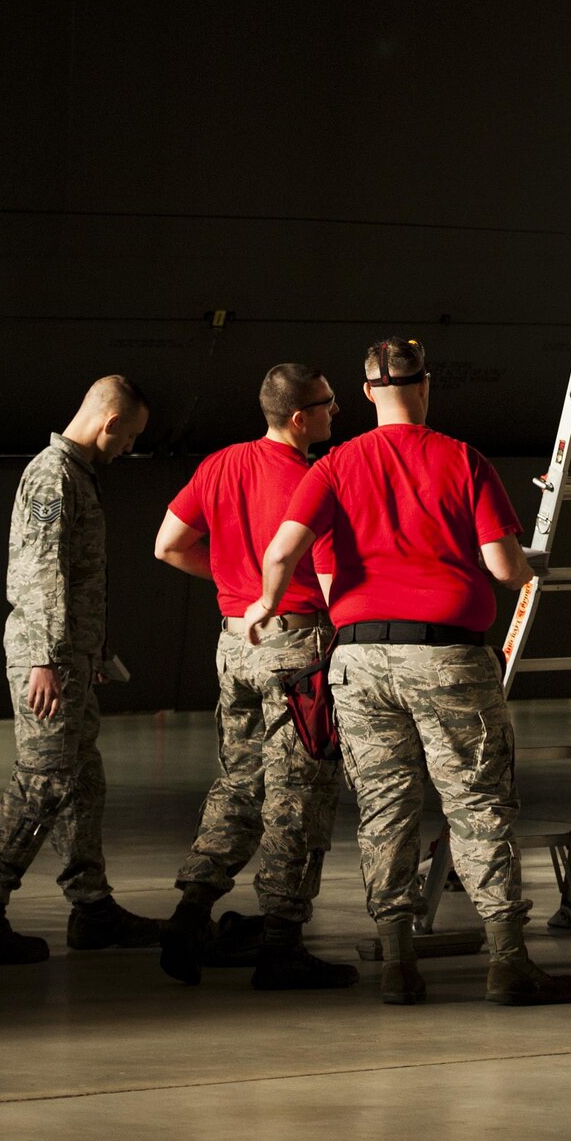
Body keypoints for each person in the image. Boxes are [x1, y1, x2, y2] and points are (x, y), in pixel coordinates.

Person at [247, 336, 571, 1008]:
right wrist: (535, 563)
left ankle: (398, 964)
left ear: (368, 393)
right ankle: (507, 962)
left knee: (385, 809)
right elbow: (505, 570)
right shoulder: (462, 460)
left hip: (360, 659)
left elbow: (284, 549)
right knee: (477, 804)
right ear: (424, 387)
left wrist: (266, 601)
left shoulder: (335, 465)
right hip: (449, 654)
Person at [153, 362, 355, 991]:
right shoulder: (315, 480)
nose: (336, 412)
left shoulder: (219, 465)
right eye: (328, 403)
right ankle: (282, 945)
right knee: (299, 796)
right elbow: (328, 581)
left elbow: (168, 545)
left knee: (240, 782)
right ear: (301, 417)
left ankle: (191, 912)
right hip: (298, 648)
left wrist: (239, 594)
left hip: (236, 643)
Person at [0, 376, 161, 965]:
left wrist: (88, 652)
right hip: (48, 658)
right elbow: (41, 572)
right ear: (110, 422)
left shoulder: (78, 476)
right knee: (42, 779)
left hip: (71, 657)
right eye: (131, 437)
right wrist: (46, 658)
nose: (131, 449)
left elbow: (76, 578)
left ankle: (91, 908)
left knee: (82, 780)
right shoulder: (54, 475)